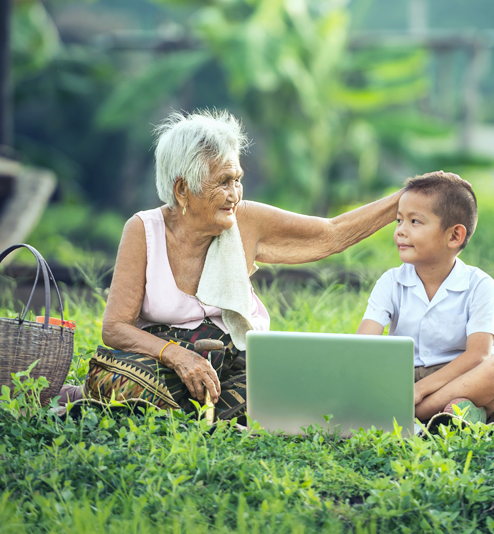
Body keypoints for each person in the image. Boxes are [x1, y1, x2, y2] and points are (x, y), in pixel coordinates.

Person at [81, 109, 405, 422]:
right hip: (167, 364)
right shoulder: (143, 231)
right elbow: (116, 328)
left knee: (289, 391)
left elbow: (330, 234)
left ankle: (202, 413)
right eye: (223, 182)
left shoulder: (245, 220)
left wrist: (405, 197)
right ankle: (204, 413)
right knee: (123, 383)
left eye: (238, 179)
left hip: (238, 364)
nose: (234, 194)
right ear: (182, 189)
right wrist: (177, 355)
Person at [356, 172, 494, 426]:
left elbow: (478, 356)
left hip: (458, 378)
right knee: (359, 373)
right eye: (399, 220)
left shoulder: (479, 284)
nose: (401, 231)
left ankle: (410, 413)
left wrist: (419, 392)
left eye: (415, 222)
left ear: (454, 236)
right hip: (403, 379)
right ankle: (458, 413)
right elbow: (364, 346)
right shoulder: (391, 281)